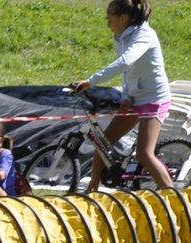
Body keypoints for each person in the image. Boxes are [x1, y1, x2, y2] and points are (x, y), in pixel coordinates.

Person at [73, 0, 172, 191]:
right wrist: (126, 97)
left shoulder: (145, 35)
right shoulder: (122, 38)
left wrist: (90, 81)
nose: (108, 23)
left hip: (154, 99)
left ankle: (175, 198)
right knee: (103, 144)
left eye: (110, 19)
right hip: (134, 99)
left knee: (144, 153)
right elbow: (129, 72)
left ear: (123, 18)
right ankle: (91, 190)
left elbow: (125, 62)